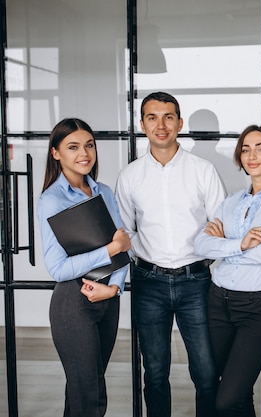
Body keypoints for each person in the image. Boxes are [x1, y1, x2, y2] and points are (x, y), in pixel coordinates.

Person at [115, 92, 226, 417]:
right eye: (152, 117)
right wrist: (142, 259)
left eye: (168, 117)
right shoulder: (131, 175)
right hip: (148, 282)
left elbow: (219, 226)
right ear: (142, 124)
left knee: (206, 373)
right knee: (155, 373)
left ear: (179, 123)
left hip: (196, 281)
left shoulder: (202, 170)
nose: (160, 125)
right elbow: (125, 231)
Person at [194, 125, 261, 417]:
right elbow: (201, 245)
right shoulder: (230, 202)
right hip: (217, 303)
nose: (252, 156)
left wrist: (225, 245)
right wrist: (240, 244)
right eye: (245, 149)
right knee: (237, 393)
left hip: (256, 309)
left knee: (226, 399)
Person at [38, 118, 131, 417]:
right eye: (73, 146)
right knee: (90, 395)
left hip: (107, 298)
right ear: (56, 153)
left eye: (89, 145)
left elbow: (123, 245)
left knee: (82, 392)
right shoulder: (51, 200)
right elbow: (59, 269)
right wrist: (109, 250)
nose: (84, 153)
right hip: (73, 303)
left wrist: (114, 288)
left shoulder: (103, 190)